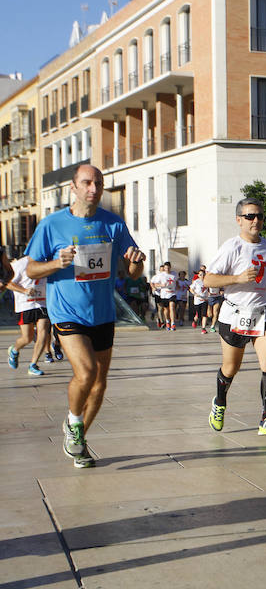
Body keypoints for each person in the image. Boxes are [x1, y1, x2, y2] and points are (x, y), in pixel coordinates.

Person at [25, 164, 146, 468]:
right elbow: (30, 269)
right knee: (87, 372)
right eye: (87, 183)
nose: (94, 189)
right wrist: (55, 263)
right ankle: (74, 420)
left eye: (98, 184)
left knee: (100, 384)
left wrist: (137, 260)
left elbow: (133, 272)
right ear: (74, 188)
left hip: (102, 313)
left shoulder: (113, 224)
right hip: (67, 311)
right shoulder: (52, 225)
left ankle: (77, 437)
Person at [204, 197, 266, 436]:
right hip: (234, 314)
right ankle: (219, 402)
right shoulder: (231, 247)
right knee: (231, 368)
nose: (256, 221)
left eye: (260, 216)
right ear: (239, 220)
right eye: (250, 216)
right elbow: (208, 279)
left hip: (264, 313)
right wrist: (237, 278)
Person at [6, 256, 50, 376]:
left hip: (43, 303)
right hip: (25, 305)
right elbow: (8, 283)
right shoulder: (20, 264)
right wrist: (24, 290)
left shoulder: (49, 262)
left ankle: (33, 365)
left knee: (43, 334)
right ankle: (14, 350)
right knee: (27, 338)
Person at [152, 262, 177, 331]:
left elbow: (176, 281)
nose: (167, 269)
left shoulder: (174, 274)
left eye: (168, 268)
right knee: (166, 309)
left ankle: (173, 323)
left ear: (170, 267)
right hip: (164, 295)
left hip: (172, 293)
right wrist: (161, 285)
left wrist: (177, 287)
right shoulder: (161, 275)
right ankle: (167, 321)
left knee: (172, 307)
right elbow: (155, 284)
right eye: (166, 268)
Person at [189, 269, 210, 334]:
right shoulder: (196, 282)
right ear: (198, 275)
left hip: (205, 300)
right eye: (200, 275)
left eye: (203, 275)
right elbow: (191, 289)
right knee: (198, 315)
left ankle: (203, 328)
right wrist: (195, 294)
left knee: (204, 314)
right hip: (197, 301)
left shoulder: (207, 281)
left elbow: (209, 289)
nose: (202, 276)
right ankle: (195, 321)